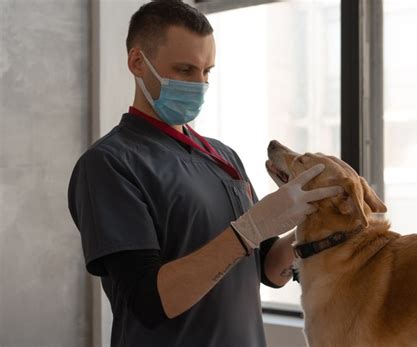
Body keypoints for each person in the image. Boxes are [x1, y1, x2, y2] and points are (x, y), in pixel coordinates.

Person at [67, 1, 341, 346]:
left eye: (207, 71)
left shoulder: (222, 157)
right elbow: (150, 302)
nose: (199, 84)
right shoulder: (109, 164)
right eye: (185, 70)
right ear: (137, 62)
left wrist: (312, 225)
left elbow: (268, 270)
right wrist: (249, 229)